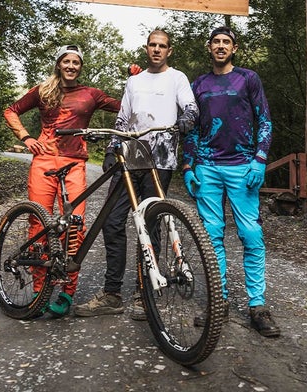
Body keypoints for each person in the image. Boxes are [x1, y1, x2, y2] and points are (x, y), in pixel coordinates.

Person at [74, 30, 198, 319]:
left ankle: (146, 294)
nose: (157, 50)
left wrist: (186, 121)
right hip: (130, 156)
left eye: (162, 46)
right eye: (152, 45)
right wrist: (111, 148)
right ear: (146, 48)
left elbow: (191, 107)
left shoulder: (177, 78)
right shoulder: (134, 81)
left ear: (169, 50)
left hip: (161, 159)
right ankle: (112, 293)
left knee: (150, 223)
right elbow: (122, 119)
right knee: (113, 221)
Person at [3, 45, 123, 318]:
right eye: (66, 61)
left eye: (76, 62)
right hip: (44, 161)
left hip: (74, 163)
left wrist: (137, 80)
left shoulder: (91, 94)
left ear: (80, 66)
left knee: (75, 225)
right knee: (39, 224)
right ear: (58, 64)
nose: (71, 65)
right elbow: (11, 111)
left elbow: (125, 105)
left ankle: (68, 291)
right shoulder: (43, 90)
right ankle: (38, 290)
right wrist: (26, 138)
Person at [182, 26, 280, 337]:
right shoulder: (198, 84)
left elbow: (263, 118)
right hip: (208, 169)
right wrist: (188, 165)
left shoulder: (248, 78)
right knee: (212, 238)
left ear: (233, 48)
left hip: (243, 167)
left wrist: (260, 159)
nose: (221, 46)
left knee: (251, 235)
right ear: (209, 47)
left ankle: (258, 306)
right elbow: (191, 128)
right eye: (216, 42)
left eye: (226, 42)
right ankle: (218, 302)